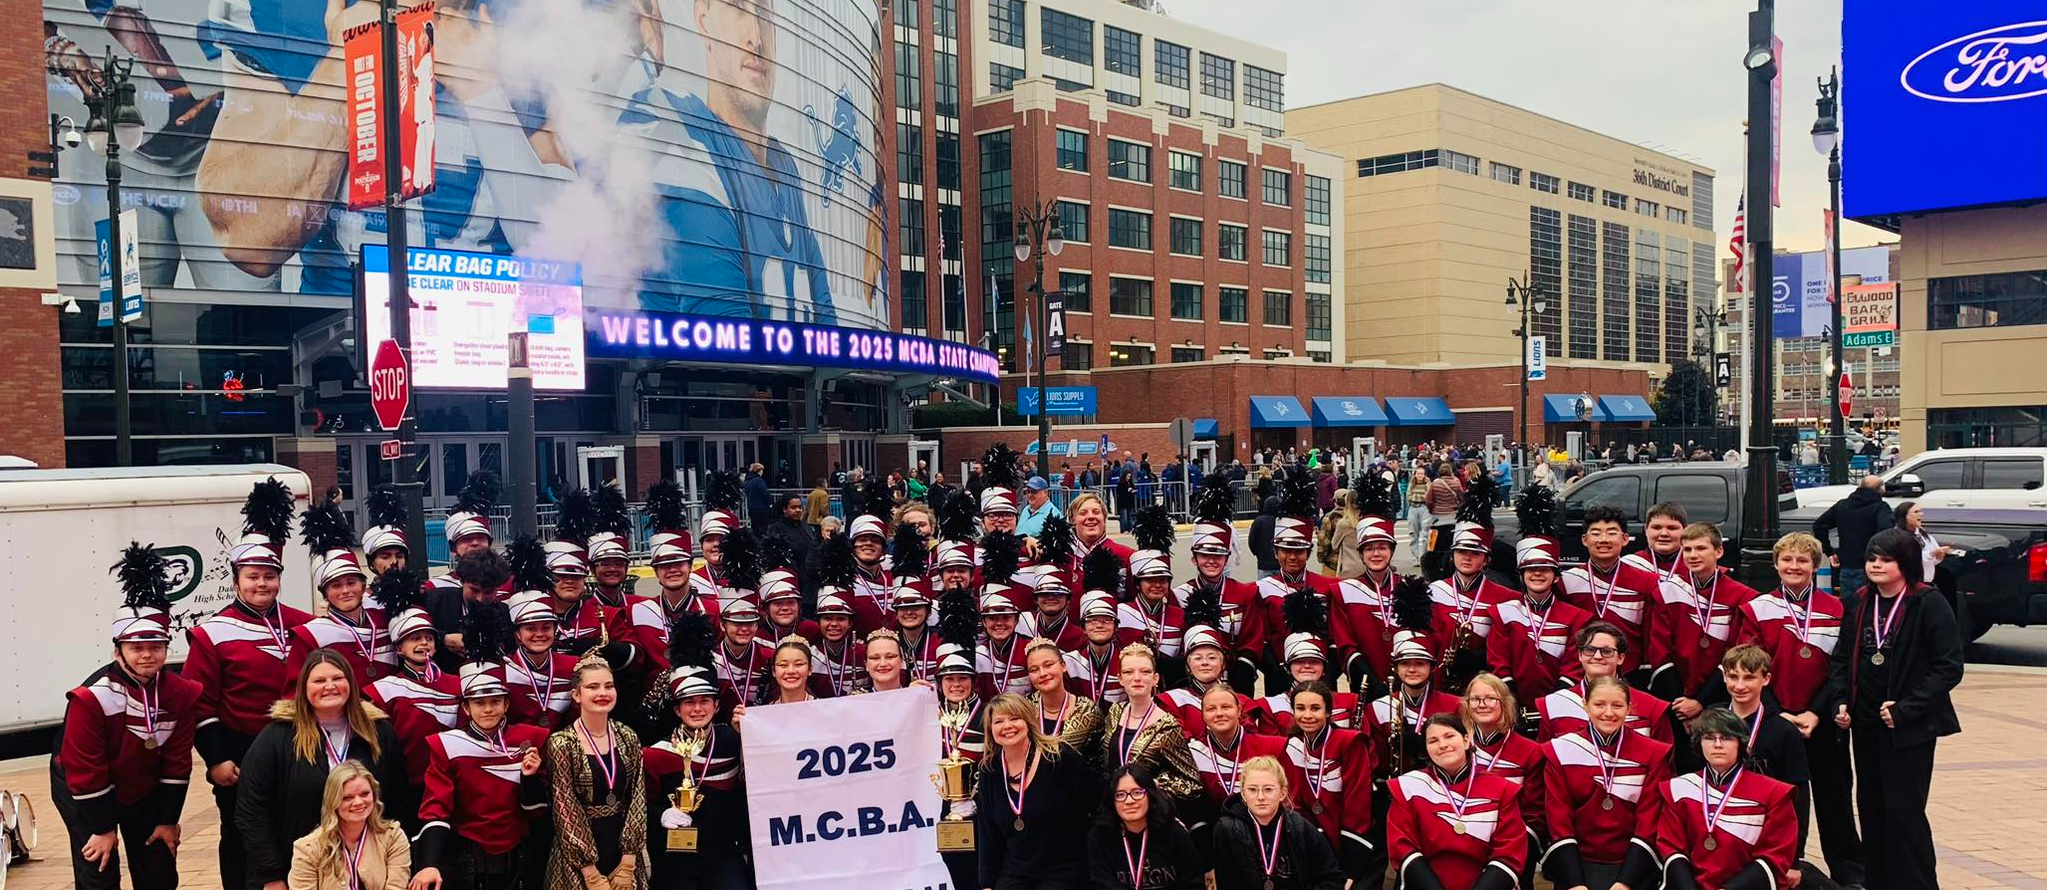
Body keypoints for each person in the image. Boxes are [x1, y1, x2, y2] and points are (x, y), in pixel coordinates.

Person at [185, 479, 313, 890]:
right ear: (236, 580)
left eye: (269, 577)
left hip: (300, 746)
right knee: (242, 837)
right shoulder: (212, 633)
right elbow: (199, 705)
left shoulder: (305, 624)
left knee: (299, 832)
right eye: (253, 577)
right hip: (240, 752)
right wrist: (216, 760)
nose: (262, 585)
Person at [53, 544, 202, 890]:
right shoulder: (91, 698)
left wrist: (167, 820)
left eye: (156, 646)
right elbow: (86, 769)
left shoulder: (183, 694)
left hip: (143, 785)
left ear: (167, 647)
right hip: (82, 786)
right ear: (118, 650)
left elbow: (178, 762)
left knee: (159, 868)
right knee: (99, 869)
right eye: (136, 648)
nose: (147, 655)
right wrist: (104, 828)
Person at [1826, 528, 1962, 890]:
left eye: (1886, 559)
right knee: (1872, 811)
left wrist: (1907, 708)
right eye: (1872, 558)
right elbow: (1842, 659)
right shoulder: (1859, 601)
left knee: (1904, 815)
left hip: (1909, 728)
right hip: (1866, 725)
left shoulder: (1927, 602)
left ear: (1905, 564)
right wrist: (1842, 700)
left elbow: (1949, 667)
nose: (1876, 565)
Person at [1736, 532, 1863, 889]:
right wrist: (1778, 713)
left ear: (1815, 566)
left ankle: (1851, 875)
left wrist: (1817, 712)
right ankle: (1788, 871)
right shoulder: (1758, 609)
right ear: (1776, 565)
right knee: (1784, 803)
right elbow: (1750, 666)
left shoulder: (1838, 609)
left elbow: (1842, 667)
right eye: (1787, 560)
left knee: (1835, 800)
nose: (1794, 567)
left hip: (1823, 720)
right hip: (1777, 721)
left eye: (1802, 561)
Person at [238, 648, 410, 890]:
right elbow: (252, 809)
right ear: (304, 688)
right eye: (319, 680)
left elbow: (399, 800)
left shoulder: (379, 732)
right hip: (300, 871)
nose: (329, 686)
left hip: (372, 870)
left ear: (350, 683)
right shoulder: (277, 737)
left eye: (337, 678)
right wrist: (270, 875)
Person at [411, 610, 551, 890]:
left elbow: (538, 811)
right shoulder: (446, 744)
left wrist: (530, 778)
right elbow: (436, 808)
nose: (488, 709)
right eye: (479, 703)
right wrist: (429, 863)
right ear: (465, 707)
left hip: (522, 855)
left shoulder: (532, 737)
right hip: (468, 860)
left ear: (507, 704)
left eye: (495, 701)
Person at [1538, 675, 1671, 890]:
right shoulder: (1560, 751)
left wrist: (1625, 883)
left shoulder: (1653, 753)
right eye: (1599, 704)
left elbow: (1649, 820)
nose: (1608, 713)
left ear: (1629, 708)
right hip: (1577, 865)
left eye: (1617, 705)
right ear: (1585, 706)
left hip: (1632, 866)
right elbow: (1558, 818)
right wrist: (1575, 884)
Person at [643, 632, 749, 890]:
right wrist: (661, 815)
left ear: (716, 705)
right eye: (689, 702)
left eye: (704, 701)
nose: (698, 709)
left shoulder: (733, 741)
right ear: (677, 709)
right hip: (673, 858)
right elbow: (640, 805)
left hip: (723, 854)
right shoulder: (656, 754)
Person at [1656, 710, 1800, 890]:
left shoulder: (1774, 793)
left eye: (1726, 737)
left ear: (1741, 743)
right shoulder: (1678, 789)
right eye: (1709, 737)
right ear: (1699, 743)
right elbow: (1671, 847)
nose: (1717, 744)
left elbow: (1774, 855)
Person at [975, 692, 1102, 890]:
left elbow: (1098, 801)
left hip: (1065, 869)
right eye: (998, 721)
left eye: (1014, 718)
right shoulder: (989, 771)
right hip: (1016, 871)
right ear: (990, 730)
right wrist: (987, 884)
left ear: (1028, 721)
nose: (1007, 726)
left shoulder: (1059, 758)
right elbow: (988, 832)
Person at [1387, 715, 1528, 890]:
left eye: (1449, 736)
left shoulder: (1502, 789)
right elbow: (1402, 847)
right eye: (1433, 741)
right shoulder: (1407, 787)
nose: (1442, 745)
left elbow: (1510, 852)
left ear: (1467, 740)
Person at [544, 656, 648, 890]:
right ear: (576, 695)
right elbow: (564, 806)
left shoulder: (627, 736)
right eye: (593, 687)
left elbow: (638, 798)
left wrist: (629, 862)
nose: (603, 692)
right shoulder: (562, 743)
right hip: (578, 856)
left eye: (608, 686)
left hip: (621, 850)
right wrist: (590, 872)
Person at [1652, 523, 1759, 727]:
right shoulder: (1667, 591)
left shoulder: (1743, 596)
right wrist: (1682, 706)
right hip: (1675, 698)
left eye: (1701, 548)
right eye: (1688, 549)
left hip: (1720, 696)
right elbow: (1659, 650)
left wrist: (1701, 702)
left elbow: (1737, 653)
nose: (1693, 555)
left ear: (1719, 551)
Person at [1281, 679, 1378, 888]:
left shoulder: (1350, 741)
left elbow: (1357, 801)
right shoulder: (1293, 745)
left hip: (1350, 840)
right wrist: (1314, 839)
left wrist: (1351, 864)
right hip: (1314, 840)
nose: (1307, 715)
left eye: (1315, 708)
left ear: (1327, 712)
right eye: (1300, 708)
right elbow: (1294, 802)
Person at [1211, 754, 1346, 890]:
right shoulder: (1226, 829)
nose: (1261, 797)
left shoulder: (1302, 828)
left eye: (1268, 789)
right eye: (1252, 790)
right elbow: (1226, 884)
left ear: (1282, 793)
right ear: (1243, 794)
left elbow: (1332, 879)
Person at [1489, 535, 1593, 706]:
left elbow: (1574, 664)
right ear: (1522, 576)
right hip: (1511, 700)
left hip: (1561, 698)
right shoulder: (1502, 612)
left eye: (1544, 569)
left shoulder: (1577, 617)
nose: (1537, 573)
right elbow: (1498, 660)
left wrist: (1556, 700)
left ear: (1557, 577)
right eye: (1531, 569)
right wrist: (1511, 698)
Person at [1461, 674, 1547, 880]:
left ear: (1505, 704)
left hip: (1513, 852)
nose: (1482, 704)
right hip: (1464, 847)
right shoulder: (1457, 747)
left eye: (1491, 698)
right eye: (1475, 699)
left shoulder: (1531, 751)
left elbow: (1534, 816)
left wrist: (1507, 862)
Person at [1558, 507, 1660, 673]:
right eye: (1596, 533)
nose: (1603, 539)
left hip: (1629, 672)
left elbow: (1650, 636)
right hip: (1580, 671)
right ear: (1584, 539)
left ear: (1625, 539)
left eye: (1612, 533)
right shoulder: (1567, 581)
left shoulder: (1647, 581)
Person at [1534, 623, 1673, 743]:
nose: (1597, 656)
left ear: (1620, 658)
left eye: (1606, 651)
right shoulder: (1554, 704)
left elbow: (1663, 766)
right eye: (1590, 650)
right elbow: (1544, 761)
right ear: (1580, 655)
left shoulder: (1651, 707)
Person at [1100, 643, 1201, 808]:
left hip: (1148, 810)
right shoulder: (1115, 712)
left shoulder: (1167, 726)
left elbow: (1192, 783)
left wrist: (1152, 784)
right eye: (1128, 672)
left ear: (1156, 679)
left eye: (1145, 672)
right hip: (1112, 805)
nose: (1137, 678)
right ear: (1120, 678)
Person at [285, 762, 410, 890]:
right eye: (347, 798)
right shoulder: (307, 849)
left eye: (364, 794)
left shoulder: (393, 837)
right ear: (333, 801)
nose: (358, 802)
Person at [1085, 765, 1205, 890]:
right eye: (1120, 795)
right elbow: (1102, 883)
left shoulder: (1174, 831)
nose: (1129, 801)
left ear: (1150, 795)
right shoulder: (1100, 836)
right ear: (1111, 800)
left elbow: (1193, 881)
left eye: (1137, 793)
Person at [1813, 475, 1895, 600]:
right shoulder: (1880, 508)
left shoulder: (1842, 505)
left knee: (1847, 609)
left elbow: (1819, 526)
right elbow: (1886, 531)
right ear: (1881, 490)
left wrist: (1829, 551)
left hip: (1845, 566)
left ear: (1859, 486)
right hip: (1869, 565)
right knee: (1867, 608)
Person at [1026, 638, 1102, 754]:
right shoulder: (1024, 708)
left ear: (1063, 666)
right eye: (1034, 670)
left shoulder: (1087, 711)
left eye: (1048, 665)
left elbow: (1098, 762)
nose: (1042, 674)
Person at [1896, 501, 1950, 584]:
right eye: (1916, 512)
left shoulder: (1923, 534)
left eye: (1921, 511)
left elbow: (1932, 561)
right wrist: (1931, 553)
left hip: (1927, 582)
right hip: (1908, 582)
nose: (1921, 514)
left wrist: (1939, 556)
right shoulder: (1898, 536)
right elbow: (1909, 558)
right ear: (1904, 516)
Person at [743, 463, 774, 530]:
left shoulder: (748, 481)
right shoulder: (758, 481)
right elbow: (764, 493)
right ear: (759, 471)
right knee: (763, 530)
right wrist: (770, 502)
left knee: (755, 529)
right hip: (761, 509)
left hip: (752, 508)